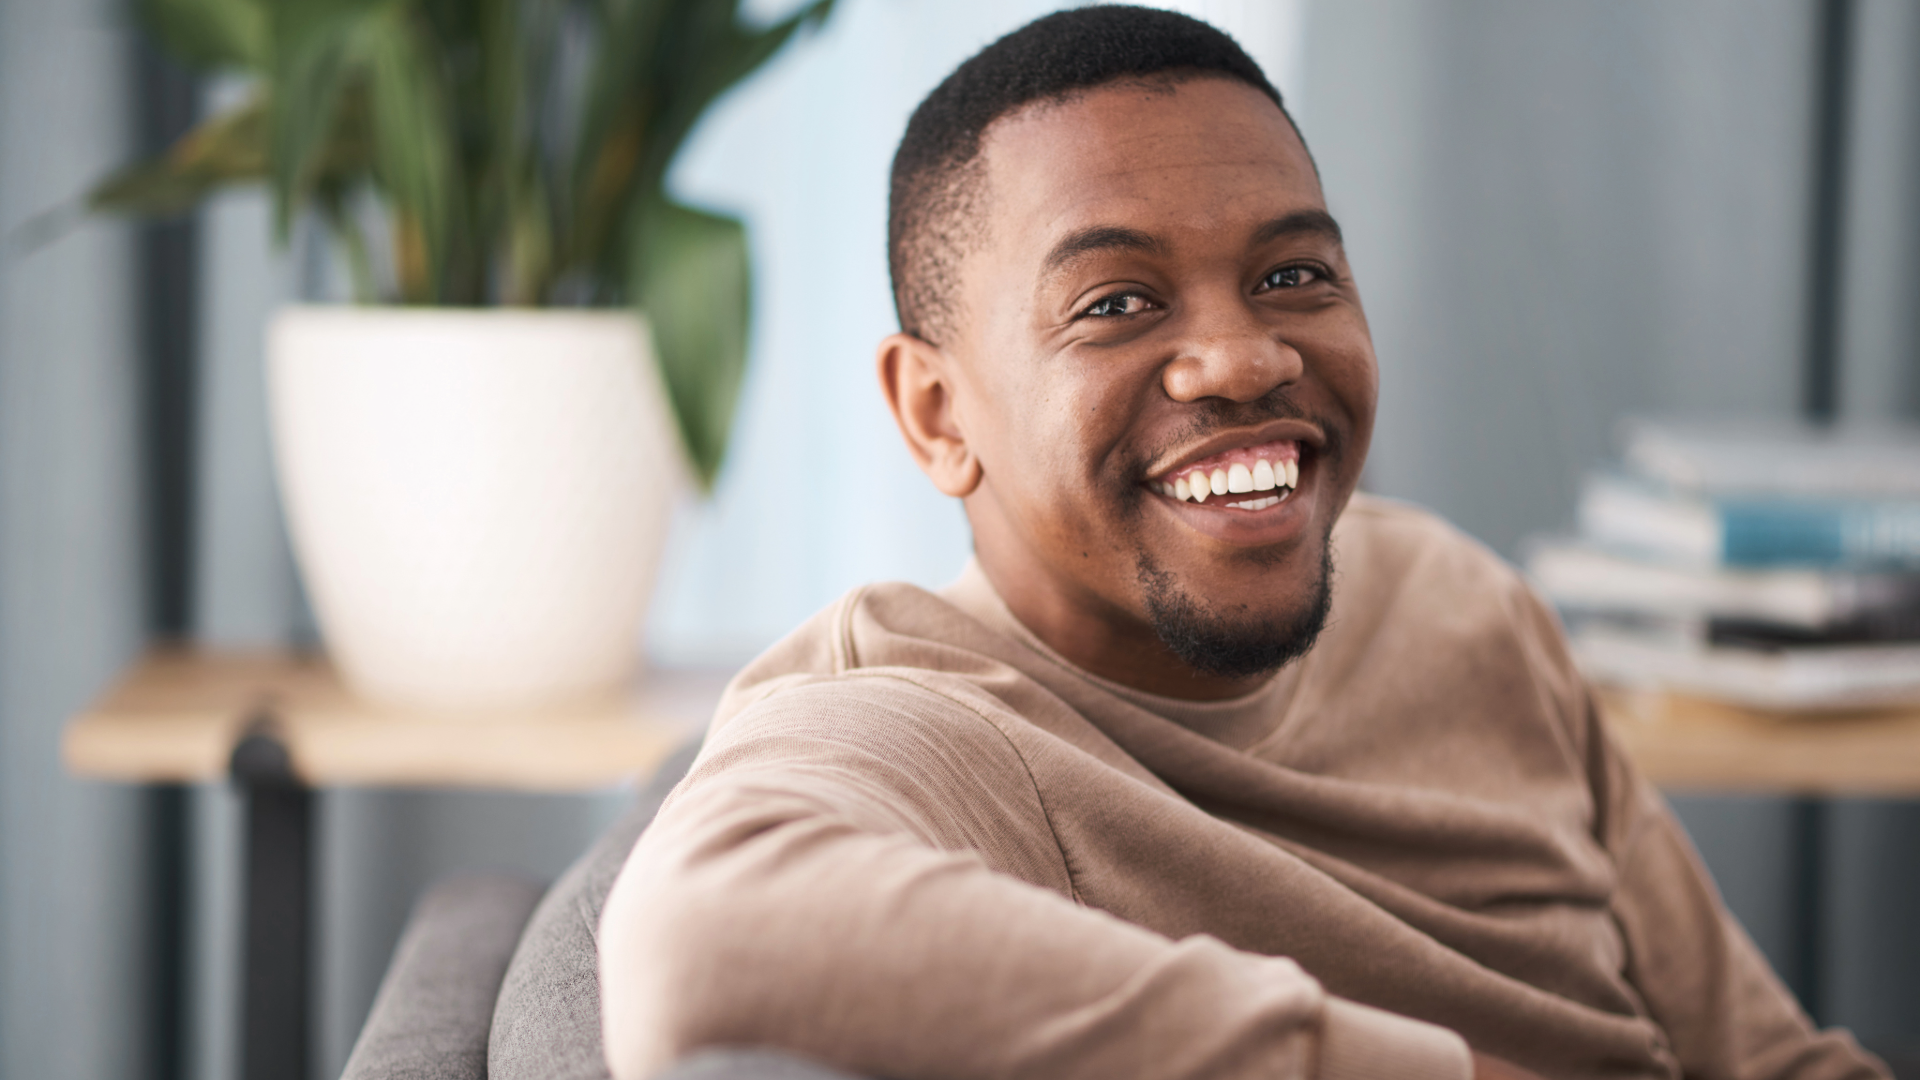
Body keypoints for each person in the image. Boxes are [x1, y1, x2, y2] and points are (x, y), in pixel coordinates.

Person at [598, 8, 1889, 1080]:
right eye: (1116, 304)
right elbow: (699, 942)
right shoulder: (937, 726)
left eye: (1293, 277)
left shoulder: (1452, 598)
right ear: (938, 414)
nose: (1245, 355)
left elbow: (1765, 1059)